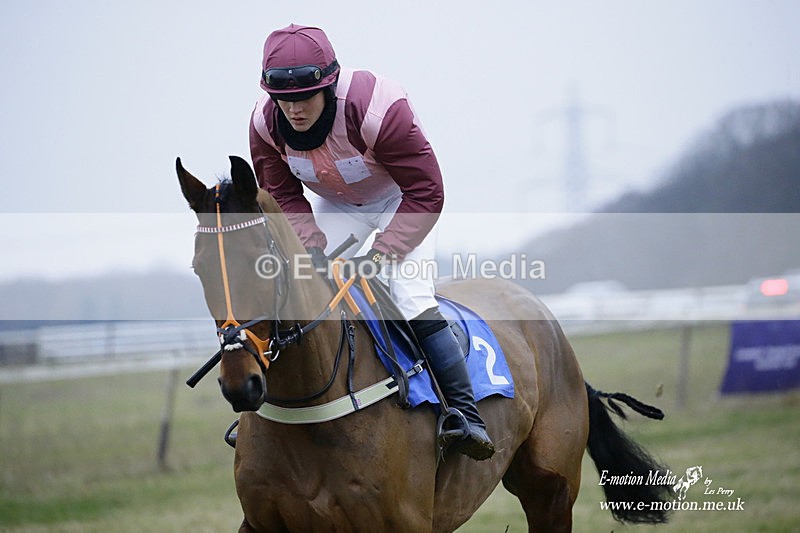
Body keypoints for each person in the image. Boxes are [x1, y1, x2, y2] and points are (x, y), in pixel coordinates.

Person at [249, 24, 494, 460]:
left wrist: (383, 253)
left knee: (408, 294)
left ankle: (465, 414)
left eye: (304, 97)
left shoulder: (378, 109)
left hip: (403, 198)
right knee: (300, 283)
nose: (294, 110)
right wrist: (311, 245)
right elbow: (282, 193)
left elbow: (428, 191)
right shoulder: (264, 124)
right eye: (283, 100)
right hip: (340, 206)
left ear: (329, 84)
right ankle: (268, 415)